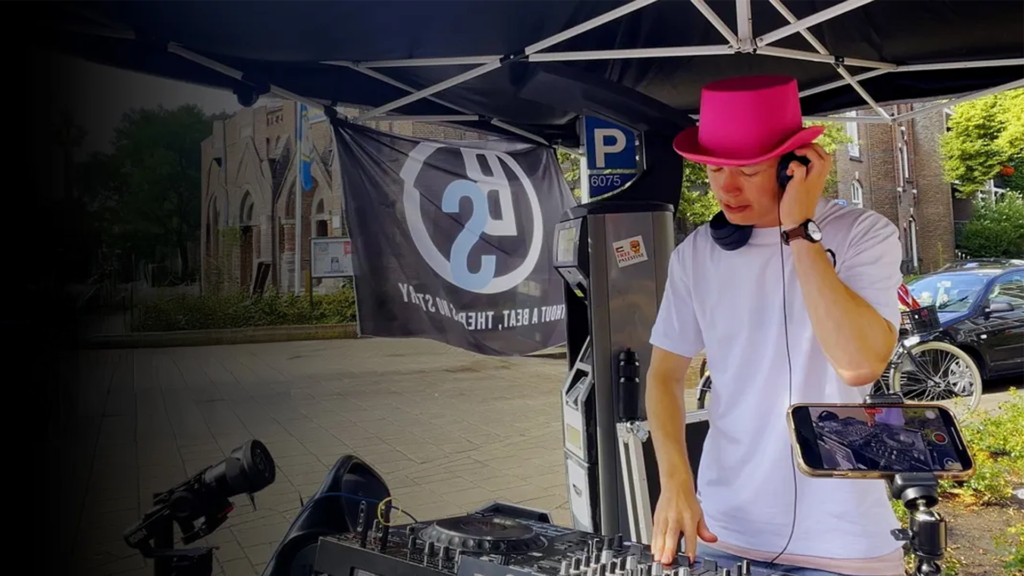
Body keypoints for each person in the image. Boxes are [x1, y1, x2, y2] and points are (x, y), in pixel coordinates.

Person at [645, 75, 905, 576]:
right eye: (714, 168)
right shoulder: (696, 253)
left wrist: (799, 231)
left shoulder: (863, 236)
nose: (726, 186)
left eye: (746, 168)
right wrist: (675, 480)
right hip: (722, 531)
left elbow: (857, 364)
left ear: (795, 167)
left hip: (843, 544)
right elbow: (663, 374)